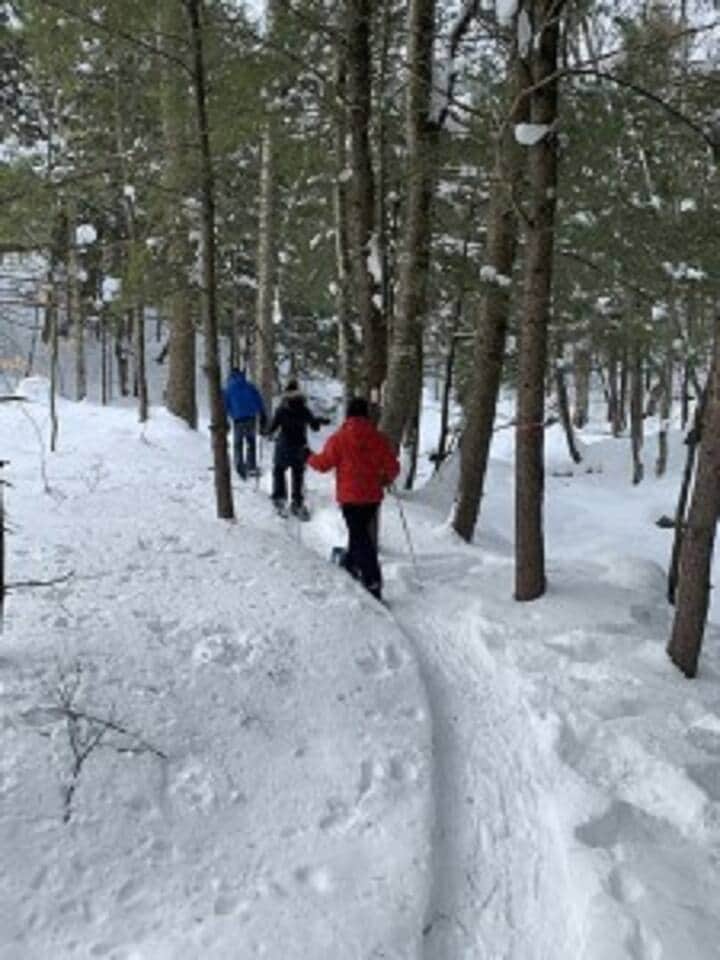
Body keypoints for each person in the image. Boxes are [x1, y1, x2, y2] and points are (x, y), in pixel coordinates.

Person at [308, 396, 399, 600]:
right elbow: (393, 467)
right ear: (366, 415)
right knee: (358, 532)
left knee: (360, 536)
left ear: (348, 415)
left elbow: (323, 464)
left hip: (349, 497)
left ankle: (372, 580)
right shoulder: (378, 438)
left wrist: (308, 457)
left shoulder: (339, 438)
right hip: (372, 497)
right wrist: (384, 479)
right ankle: (351, 563)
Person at [267, 378, 329, 518]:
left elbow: (273, 427)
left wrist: (266, 431)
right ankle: (297, 502)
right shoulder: (304, 409)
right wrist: (318, 421)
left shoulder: (282, 409)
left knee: (279, 470)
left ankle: (280, 498)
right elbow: (314, 427)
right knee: (298, 474)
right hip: (299, 446)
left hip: (283, 445)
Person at [223, 368, 266, 479]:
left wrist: (225, 418)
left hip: (238, 420)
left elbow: (225, 405)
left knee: (238, 443)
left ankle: (239, 467)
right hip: (251, 418)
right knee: (251, 442)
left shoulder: (228, 389)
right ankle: (251, 466)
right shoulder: (249, 386)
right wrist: (262, 414)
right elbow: (259, 400)